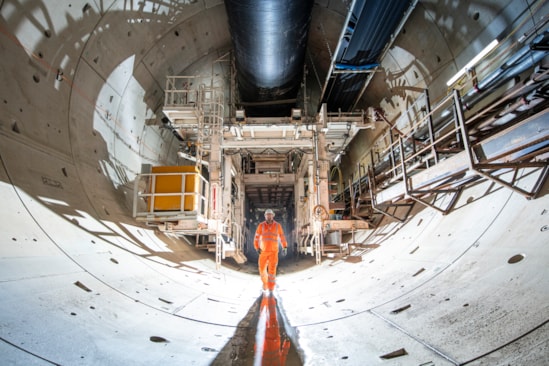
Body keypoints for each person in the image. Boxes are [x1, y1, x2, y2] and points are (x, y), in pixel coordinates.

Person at [254, 209, 288, 293]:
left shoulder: (277, 226)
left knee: (272, 270)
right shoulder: (261, 226)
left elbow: (282, 237)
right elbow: (256, 238)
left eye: (270, 215)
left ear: (273, 216)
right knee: (262, 269)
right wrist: (257, 247)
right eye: (267, 215)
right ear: (265, 216)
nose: (268, 216)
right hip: (263, 252)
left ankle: (271, 287)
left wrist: (284, 247)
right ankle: (265, 284)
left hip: (273, 252)